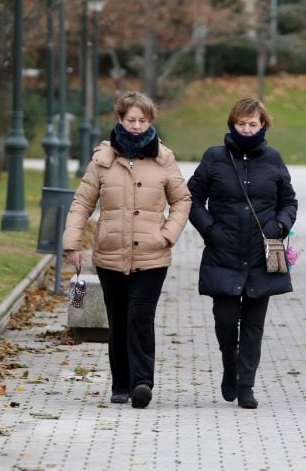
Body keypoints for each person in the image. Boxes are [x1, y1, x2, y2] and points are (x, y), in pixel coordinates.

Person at [63, 91, 191, 409]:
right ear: (120, 119)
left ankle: (142, 383)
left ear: (150, 122)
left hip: (152, 255)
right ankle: (120, 384)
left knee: (140, 318)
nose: (136, 125)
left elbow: (182, 200)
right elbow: (81, 203)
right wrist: (72, 243)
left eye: (142, 120)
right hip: (109, 254)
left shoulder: (164, 159)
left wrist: (167, 235)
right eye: (131, 119)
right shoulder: (102, 160)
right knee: (118, 320)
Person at [187, 97, 298, 410]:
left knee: (253, 326)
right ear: (231, 124)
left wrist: (280, 223)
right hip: (224, 251)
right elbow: (191, 198)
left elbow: (289, 201)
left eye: (253, 124)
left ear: (263, 125)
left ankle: (246, 384)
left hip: (261, 252)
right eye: (241, 124)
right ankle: (230, 366)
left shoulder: (274, 159)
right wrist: (210, 229)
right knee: (225, 321)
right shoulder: (214, 158)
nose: (247, 130)